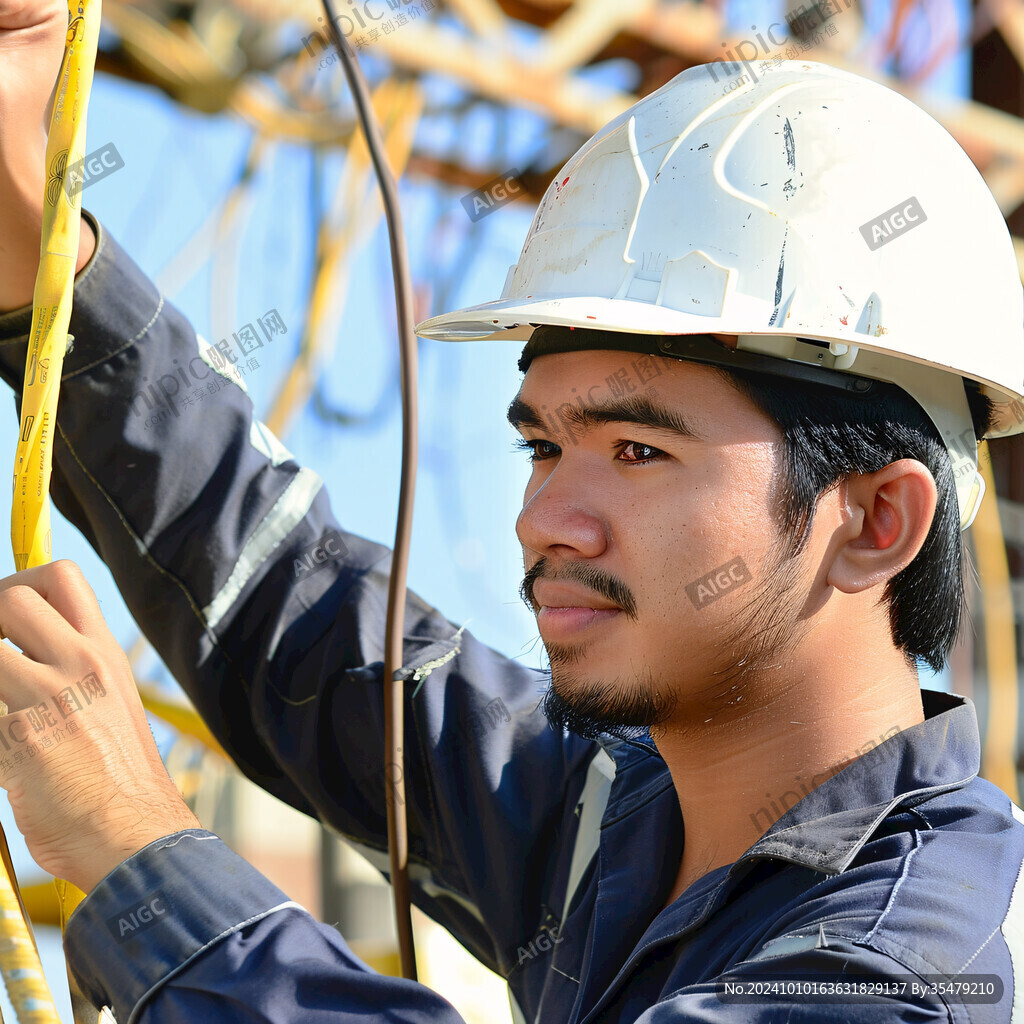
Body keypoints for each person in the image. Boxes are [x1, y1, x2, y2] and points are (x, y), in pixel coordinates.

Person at [0, 4, 1023, 1020]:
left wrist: (133, 843)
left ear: (876, 520)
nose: (546, 519)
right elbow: (287, 602)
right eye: (544, 446)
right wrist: (25, 219)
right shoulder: (611, 822)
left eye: (638, 450)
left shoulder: (916, 962)